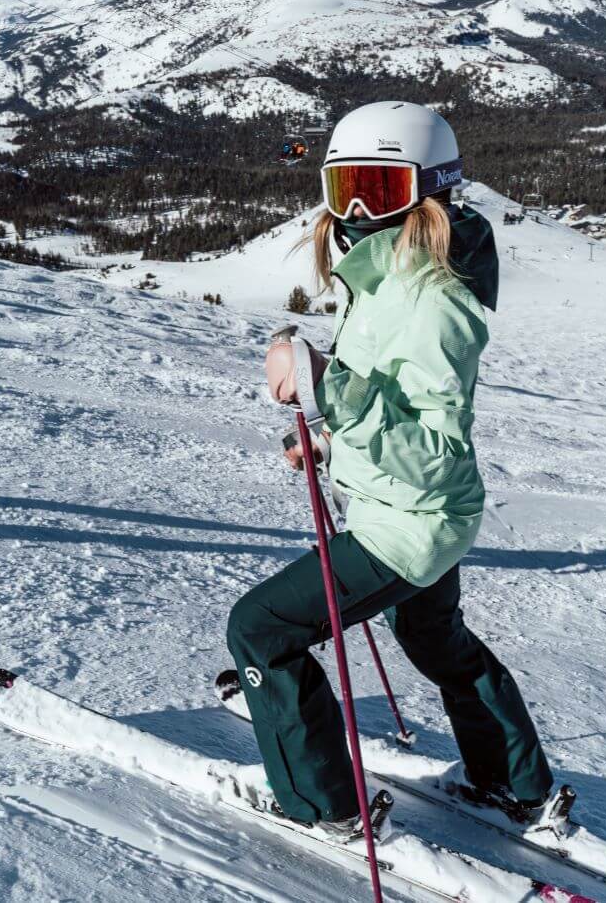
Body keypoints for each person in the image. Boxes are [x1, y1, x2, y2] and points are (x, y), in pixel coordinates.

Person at [227, 101, 554, 840]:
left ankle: (323, 805)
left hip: (411, 521)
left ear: (429, 192)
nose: (356, 211)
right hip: (416, 509)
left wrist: (330, 392)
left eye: (380, 189)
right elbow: (394, 408)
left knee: (261, 628)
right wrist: (329, 442)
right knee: (434, 637)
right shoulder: (384, 278)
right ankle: (510, 782)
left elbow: (435, 451)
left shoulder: (434, 303)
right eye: (344, 188)